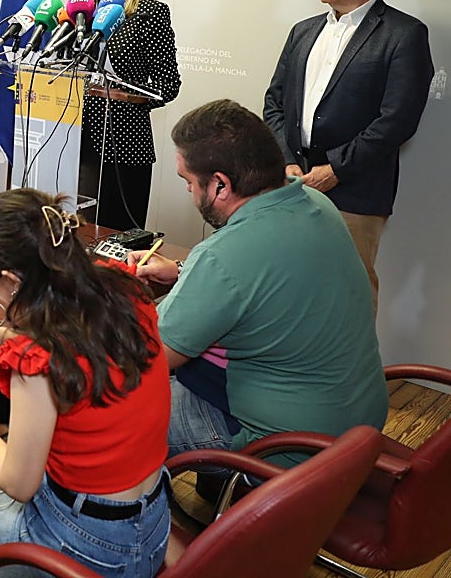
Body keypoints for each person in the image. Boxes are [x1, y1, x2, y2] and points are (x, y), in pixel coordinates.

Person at [0, 188, 171, 578]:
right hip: (151, 521)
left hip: (92, 545)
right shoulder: (119, 288)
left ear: (10, 279)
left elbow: (19, 484)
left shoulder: (37, 358)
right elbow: (74, 335)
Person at [136, 100, 387, 460]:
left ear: (220, 185)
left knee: (102, 417)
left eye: (188, 182)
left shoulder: (224, 256)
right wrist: (182, 270)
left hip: (284, 447)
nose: (189, 192)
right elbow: (267, 277)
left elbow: (146, 359)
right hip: (354, 426)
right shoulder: (316, 204)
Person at [263, 0, 433, 312]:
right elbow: (274, 103)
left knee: (348, 295)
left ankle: (351, 375)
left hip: (354, 190)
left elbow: (397, 121)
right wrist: (287, 159)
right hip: (290, 182)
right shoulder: (303, 31)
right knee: (286, 287)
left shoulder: (403, 34)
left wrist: (335, 169)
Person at [78, 0, 181, 231]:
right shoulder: (80, 14)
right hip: (76, 141)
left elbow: (168, 85)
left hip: (125, 143)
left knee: (114, 234)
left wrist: (123, 94)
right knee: (75, 232)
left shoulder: (150, 14)